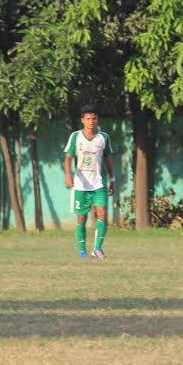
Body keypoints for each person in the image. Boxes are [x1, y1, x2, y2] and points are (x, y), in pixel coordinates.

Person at [64, 105, 115, 259]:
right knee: (81, 217)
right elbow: (68, 157)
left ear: (97, 120)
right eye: (88, 119)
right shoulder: (75, 137)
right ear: (82, 120)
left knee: (101, 213)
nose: (91, 122)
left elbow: (108, 159)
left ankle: (97, 249)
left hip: (98, 183)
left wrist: (113, 180)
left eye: (94, 118)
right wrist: (68, 175)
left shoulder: (103, 137)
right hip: (80, 185)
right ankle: (82, 251)